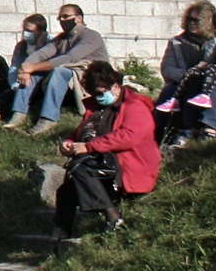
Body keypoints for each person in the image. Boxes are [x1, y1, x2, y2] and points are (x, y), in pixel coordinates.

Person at [46, 63, 159, 242]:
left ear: (115, 86)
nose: (97, 97)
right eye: (93, 93)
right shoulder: (96, 109)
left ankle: (113, 216)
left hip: (126, 164)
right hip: (97, 162)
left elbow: (129, 137)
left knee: (80, 166)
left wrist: (89, 147)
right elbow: (80, 133)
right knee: (66, 191)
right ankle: (58, 238)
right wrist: (69, 143)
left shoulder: (135, 106)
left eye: (100, 92)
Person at [4, 4, 106, 135]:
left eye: (66, 16)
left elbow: (70, 58)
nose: (63, 20)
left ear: (79, 18)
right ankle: (19, 113)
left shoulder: (91, 36)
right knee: (36, 74)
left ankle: (48, 118)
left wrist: (32, 67)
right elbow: (41, 54)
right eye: (60, 17)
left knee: (59, 71)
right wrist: (26, 68)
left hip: (91, 77)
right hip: (70, 80)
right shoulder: (61, 38)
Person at [156, 0, 216, 143]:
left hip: (209, 82)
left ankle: (190, 134)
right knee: (167, 94)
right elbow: (167, 69)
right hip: (182, 82)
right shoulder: (177, 42)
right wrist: (187, 76)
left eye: (196, 20)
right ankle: (158, 137)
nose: (192, 23)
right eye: (189, 19)